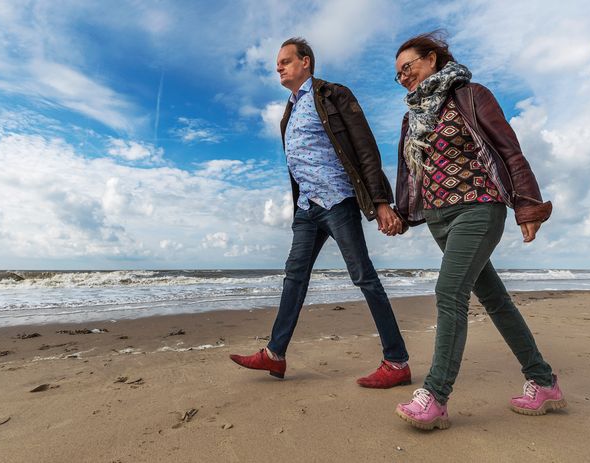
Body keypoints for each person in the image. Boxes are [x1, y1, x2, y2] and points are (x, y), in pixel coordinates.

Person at [391, 32, 566, 429]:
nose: (403, 77)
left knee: (449, 292)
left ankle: (435, 396)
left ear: (433, 59)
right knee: (496, 300)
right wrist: (401, 214)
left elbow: (509, 149)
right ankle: (544, 381)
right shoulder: (411, 117)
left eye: (408, 67)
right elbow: (409, 172)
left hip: (478, 208)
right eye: (397, 74)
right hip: (438, 218)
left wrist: (527, 205)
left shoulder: (471, 95)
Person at [229, 37, 412, 388]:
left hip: (338, 200)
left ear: (306, 62)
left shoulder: (332, 95)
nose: (278, 67)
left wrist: (380, 201)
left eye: (285, 61)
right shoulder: (289, 109)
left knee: (364, 277)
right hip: (306, 208)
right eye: (277, 63)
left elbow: (364, 146)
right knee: (294, 276)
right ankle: (275, 354)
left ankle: (396, 361)